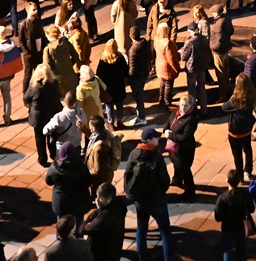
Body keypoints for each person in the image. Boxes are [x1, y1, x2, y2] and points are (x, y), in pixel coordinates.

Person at [124, 127, 174, 261]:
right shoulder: (156, 157)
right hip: (156, 200)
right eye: (156, 138)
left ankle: (143, 257)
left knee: (141, 227)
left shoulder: (134, 153)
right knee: (165, 232)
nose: (158, 139)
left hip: (140, 200)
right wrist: (161, 190)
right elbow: (164, 180)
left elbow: (127, 175)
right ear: (149, 140)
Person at [45, 141, 91, 232]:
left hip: (62, 201)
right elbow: (88, 181)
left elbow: (48, 181)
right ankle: (78, 240)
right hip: (79, 200)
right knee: (79, 224)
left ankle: (61, 240)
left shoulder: (55, 168)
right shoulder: (81, 166)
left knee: (61, 224)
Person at [26, 64, 63, 168]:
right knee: (52, 136)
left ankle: (42, 159)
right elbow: (59, 95)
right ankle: (53, 154)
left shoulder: (34, 88)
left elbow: (26, 99)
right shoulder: (54, 83)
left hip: (38, 118)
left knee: (40, 139)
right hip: (52, 114)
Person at [213, 168, 254, 261]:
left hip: (227, 228)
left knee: (227, 249)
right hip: (240, 226)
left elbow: (218, 217)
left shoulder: (223, 198)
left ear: (227, 180)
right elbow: (251, 209)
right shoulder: (244, 194)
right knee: (241, 248)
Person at [165, 96, 200, 199]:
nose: (183, 108)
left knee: (185, 170)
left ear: (190, 105)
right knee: (176, 165)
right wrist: (165, 129)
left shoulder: (191, 119)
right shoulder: (177, 111)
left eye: (185, 105)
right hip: (174, 147)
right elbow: (169, 120)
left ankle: (190, 192)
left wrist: (170, 135)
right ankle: (177, 180)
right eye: (181, 105)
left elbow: (185, 137)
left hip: (183, 149)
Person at [223, 75, 256, 178]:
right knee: (248, 149)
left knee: (237, 154)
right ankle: (248, 170)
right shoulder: (252, 95)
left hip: (235, 131)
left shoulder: (234, 99)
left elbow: (224, 107)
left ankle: (240, 175)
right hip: (247, 128)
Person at [80, 183, 125, 261]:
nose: (97, 200)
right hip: (115, 250)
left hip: (101, 253)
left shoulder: (104, 217)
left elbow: (83, 229)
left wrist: (97, 211)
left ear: (108, 199)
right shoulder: (120, 204)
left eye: (100, 198)